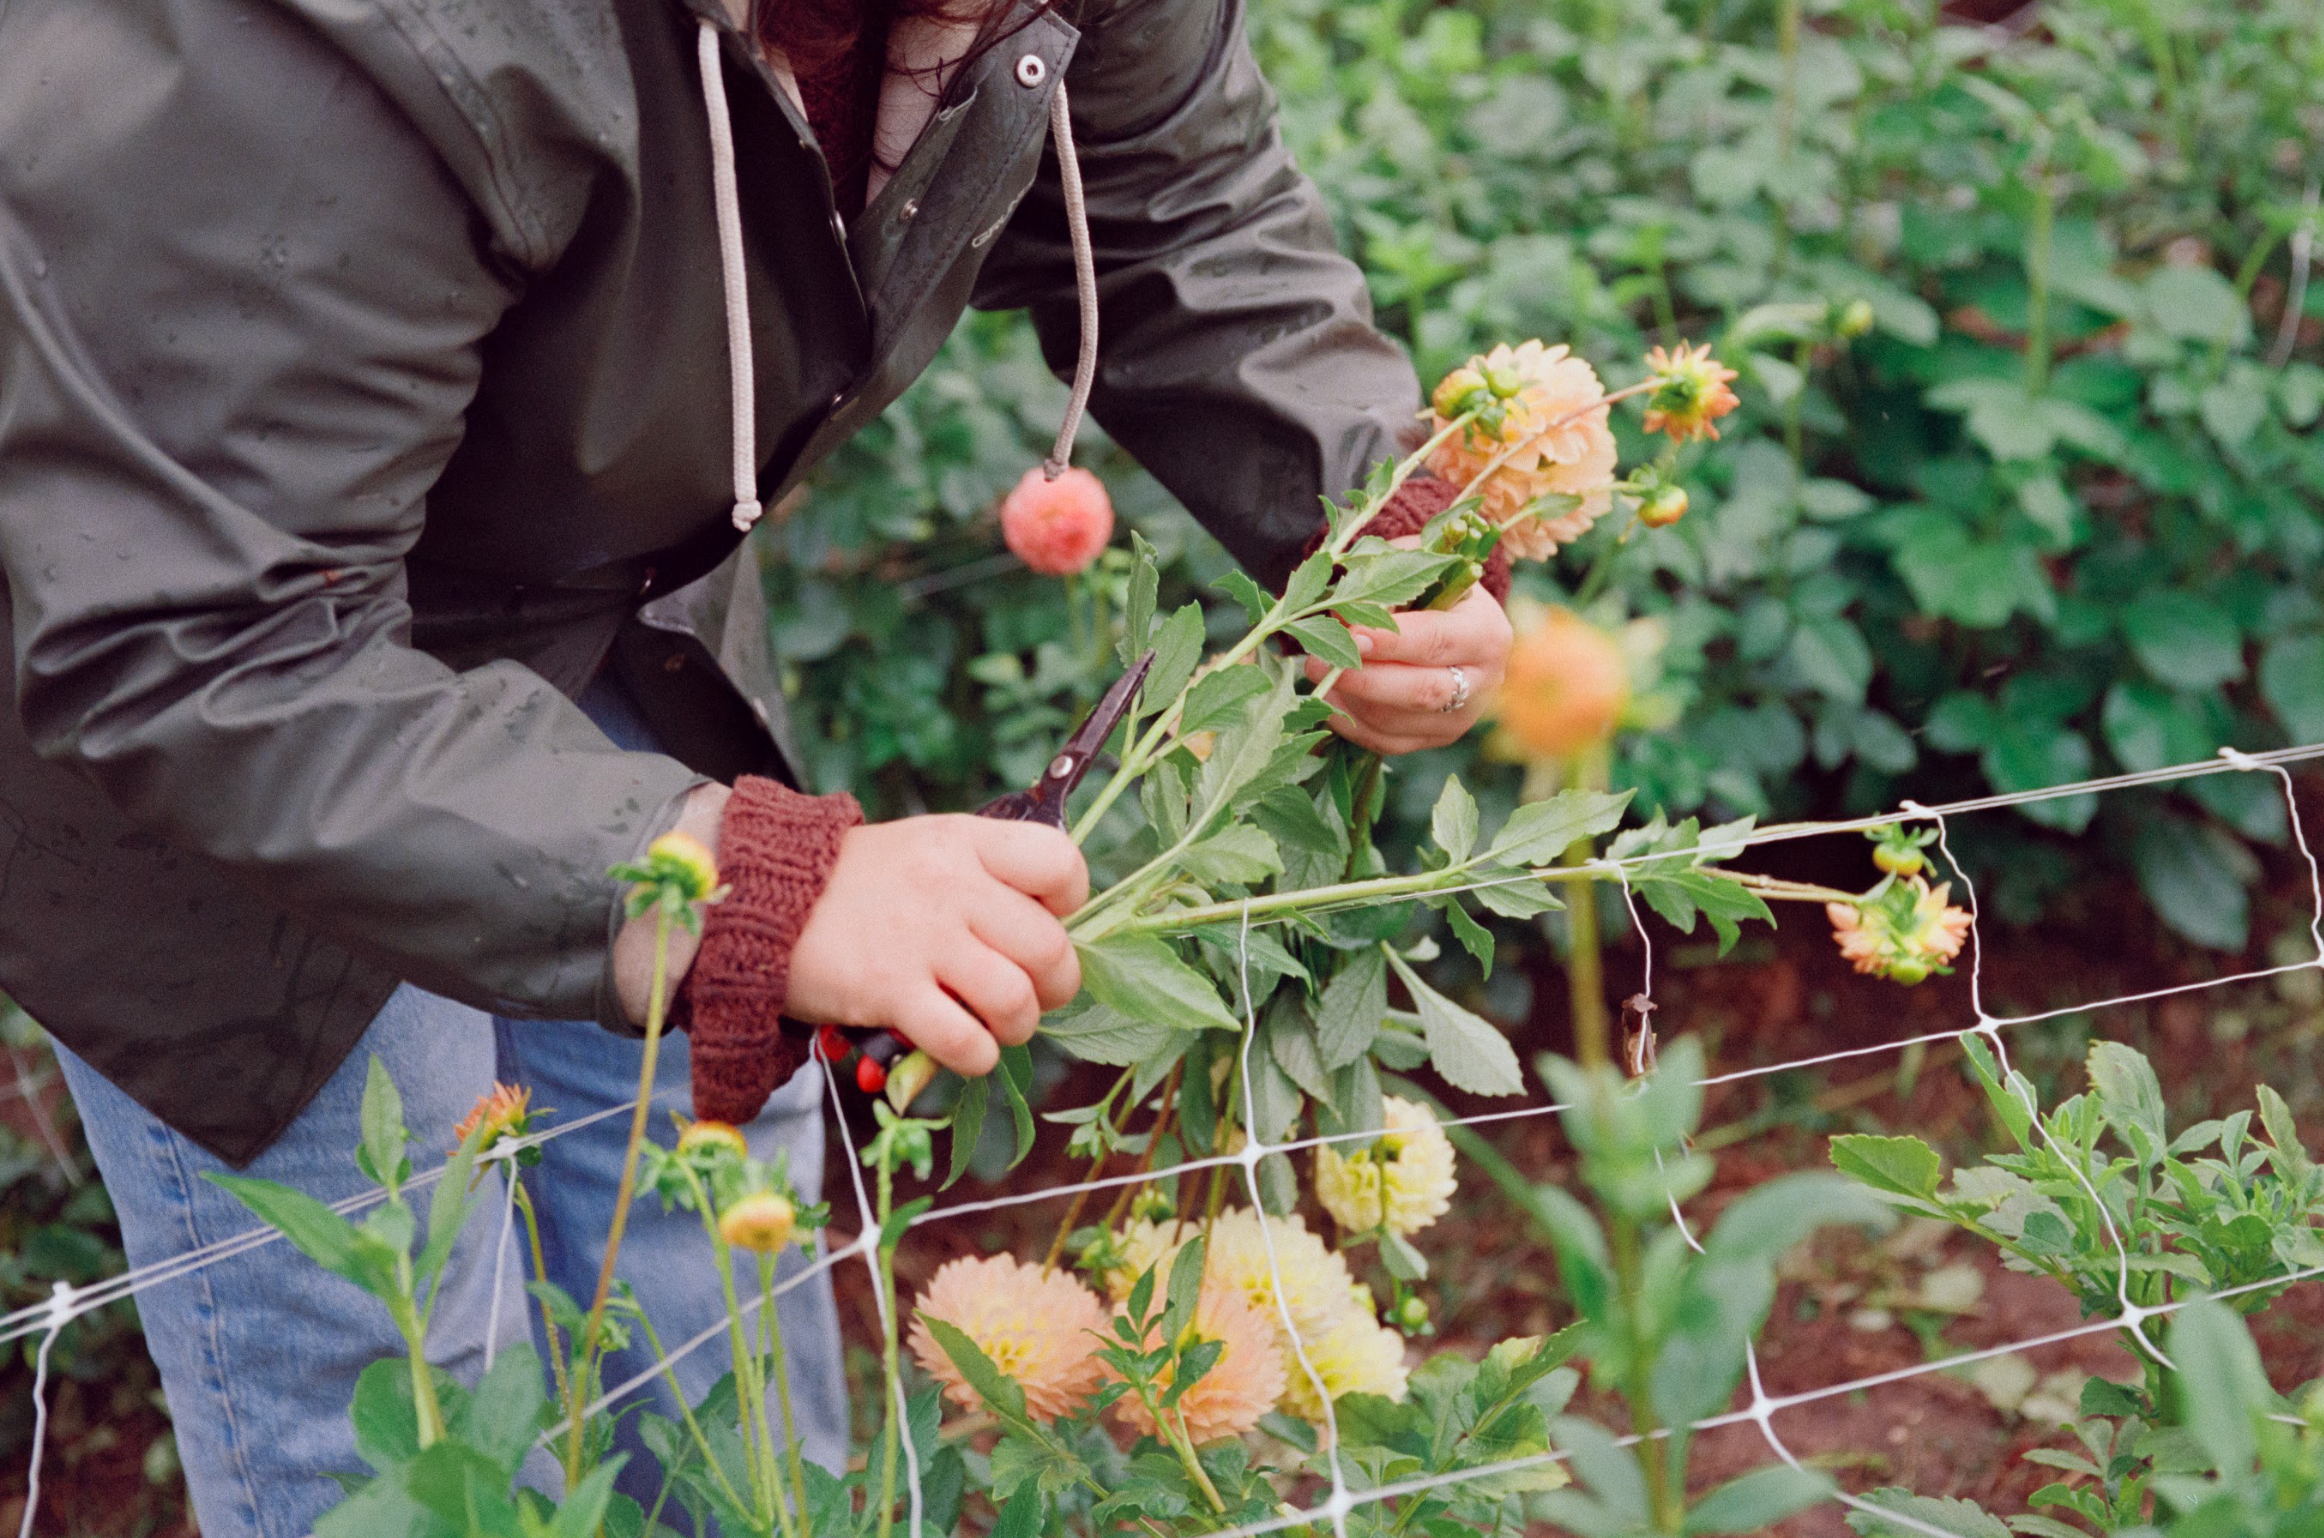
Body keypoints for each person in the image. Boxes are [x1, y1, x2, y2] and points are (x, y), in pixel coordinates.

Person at [0, 0, 1514, 1531]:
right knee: (409, 1392)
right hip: (211, 671)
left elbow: (1173, 198)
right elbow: (198, 639)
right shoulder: (336, 38)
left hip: (593, 596)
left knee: (709, 1285)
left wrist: (1379, 531)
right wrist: (752, 887)